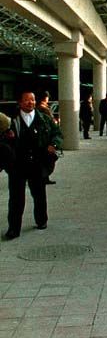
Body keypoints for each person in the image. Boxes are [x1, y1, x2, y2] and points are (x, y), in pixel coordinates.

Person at [4, 91, 62, 240]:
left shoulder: (44, 119)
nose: (30, 102)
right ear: (20, 102)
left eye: (33, 99)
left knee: (39, 194)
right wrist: (8, 138)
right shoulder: (11, 121)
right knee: (16, 198)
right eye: (27, 100)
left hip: (38, 163)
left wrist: (54, 144)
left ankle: (41, 220)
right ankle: (13, 228)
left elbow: (57, 134)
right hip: (17, 164)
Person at [36, 91, 57, 185]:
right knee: (49, 158)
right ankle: (44, 176)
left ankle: (43, 177)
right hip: (46, 136)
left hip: (39, 136)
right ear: (45, 98)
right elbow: (51, 123)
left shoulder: (36, 108)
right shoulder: (44, 109)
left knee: (43, 158)